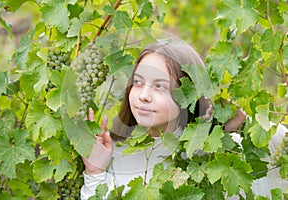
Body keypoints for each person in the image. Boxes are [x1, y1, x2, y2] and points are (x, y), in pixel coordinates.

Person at [80, 39, 246, 199]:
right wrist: (95, 173)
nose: (144, 96)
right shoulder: (112, 150)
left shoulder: (207, 153)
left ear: (189, 94)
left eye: (160, 86)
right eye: (137, 82)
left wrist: (230, 135)